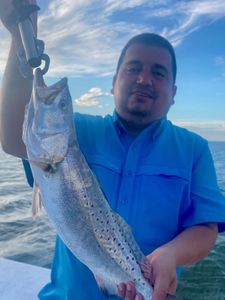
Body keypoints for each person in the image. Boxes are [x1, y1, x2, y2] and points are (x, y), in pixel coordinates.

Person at [1, 1, 225, 300]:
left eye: (159, 72)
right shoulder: (77, 130)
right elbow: (14, 136)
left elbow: (206, 228)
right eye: (133, 68)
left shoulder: (194, 149)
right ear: (113, 83)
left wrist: (171, 254)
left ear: (173, 93)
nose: (144, 79)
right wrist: (21, 37)